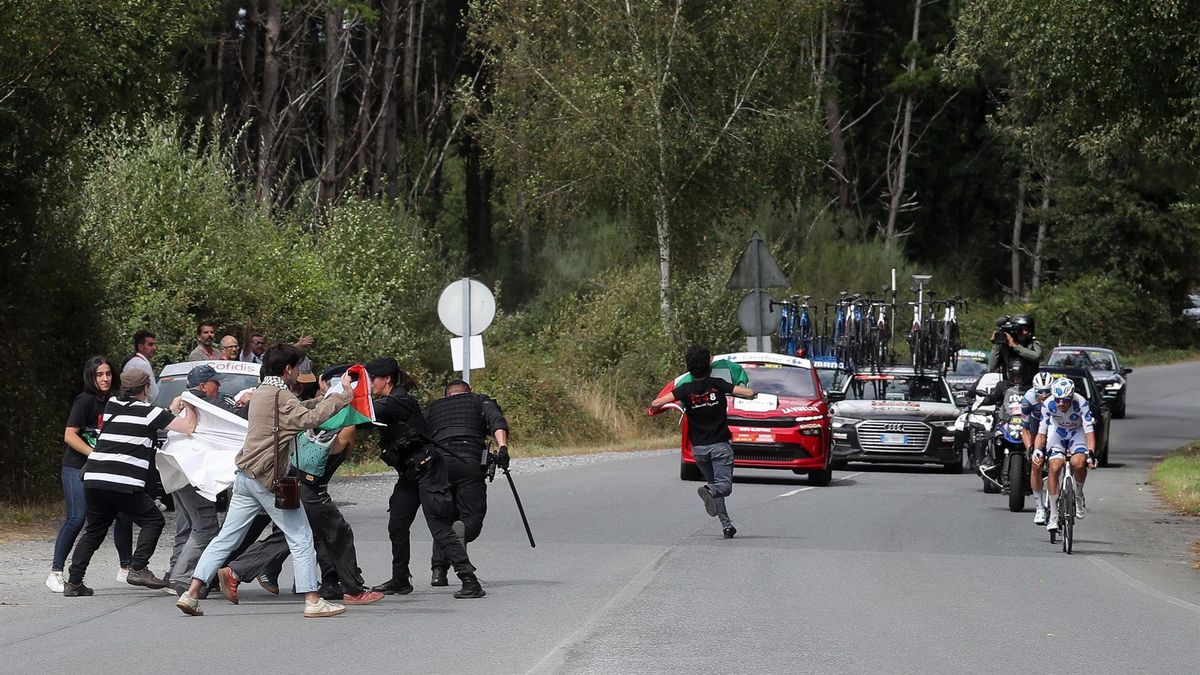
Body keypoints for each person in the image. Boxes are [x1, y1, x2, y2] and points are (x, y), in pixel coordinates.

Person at [175, 344, 353, 618]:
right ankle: (313, 600)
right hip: (267, 479)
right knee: (302, 537)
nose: (297, 375)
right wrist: (342, 397)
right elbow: (307, 419)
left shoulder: (260, 393)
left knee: (226, 538)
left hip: (245, 477)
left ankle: (192, 592)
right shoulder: (280, 395)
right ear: (288, 369)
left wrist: (322, 398)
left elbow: (295, 411)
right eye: (295, 369)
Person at [220, 364, 383, 606]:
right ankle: (352, 590)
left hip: (290, 480)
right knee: (337, 532)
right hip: (310, 487)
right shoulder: (334, 415)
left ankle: (238, 570)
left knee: (292, 535)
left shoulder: (306, 405)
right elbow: (336, 451)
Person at [64, 370, 198, 596]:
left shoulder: (113, 405)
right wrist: (191, 406)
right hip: (122, 480)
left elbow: (144, 419)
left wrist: (169, 411)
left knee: (94, 531)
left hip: (95, 477)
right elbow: (187, 427)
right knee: (153, 520)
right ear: (146, 388)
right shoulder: (149, 411)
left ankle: (74, 582)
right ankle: (138, 567)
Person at [366, 357, 484, 599]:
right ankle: (400, 579)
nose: (368, 385)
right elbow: (361, 420)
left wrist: (344, 396)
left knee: (439, 526)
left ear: (386, 379)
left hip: (429, 470)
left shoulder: (401, 400)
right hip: (409, 474)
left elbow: (368, 412)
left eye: (371, 379)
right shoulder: (388, 402)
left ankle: (469, 580)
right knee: (397, 525)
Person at [46, 357, 135, 593]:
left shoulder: (113, 401)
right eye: (99, 375)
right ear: (91, 377)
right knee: (77, 517)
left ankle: (127, 568)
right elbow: (70, 435)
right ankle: (55, 572)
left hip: (103, 469)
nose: (104, 378)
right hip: (77, 466)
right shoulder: (84, 400)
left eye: (107, 374)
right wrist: (93, 454)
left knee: (122, 512)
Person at [649, 346, 756, 539]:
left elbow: (656, 403)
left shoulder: (684, 389)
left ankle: (727, 526)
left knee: (714, 486)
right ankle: (710, 490)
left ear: (689, 367)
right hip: (720, 447)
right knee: (723, 487)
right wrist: (752, 392)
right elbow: (747, 393)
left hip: (699, 450)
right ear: (708, 364)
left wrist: (674, 404)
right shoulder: (718, 384)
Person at [163, 364, 248, 595]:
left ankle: (176, 573)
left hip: (179, 469)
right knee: (205, 528)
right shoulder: (205, 403)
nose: (219, 386)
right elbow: (238, 417)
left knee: (187, 526)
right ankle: (182, 579)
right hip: (193, 474)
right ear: (203, 386)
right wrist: (251, 400)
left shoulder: (185, 401)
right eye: (215, 382)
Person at [423, 379, 509, 587]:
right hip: (469, 461)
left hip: (438, 465)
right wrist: (503, 448)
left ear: (447, 396)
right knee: (470, 518)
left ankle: (438, 571)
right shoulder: (479, 401)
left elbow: (421, 436)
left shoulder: (433, 408)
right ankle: (462, 532)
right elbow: (496, 420)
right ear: (467, 392)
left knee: (443, 519)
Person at [1033, 377, 1096, 532]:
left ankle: (1079, 495)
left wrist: (1091, 455)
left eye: (1065, 400)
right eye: (1058, 400)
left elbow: (1089, 432)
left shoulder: (1081, 403)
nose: (1061, 403)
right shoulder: (1048, 404)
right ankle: (1054, 514)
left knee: (1078, 463)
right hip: (1057, 433)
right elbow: (1042, 433)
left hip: (1077, 432)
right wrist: (1037, 450)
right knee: (1055, 467)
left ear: (1072, 396)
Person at [1023, 371, 1054, 525]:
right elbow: (1025, 428)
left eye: (1047, 391)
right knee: (1036, 465)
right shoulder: (1028, 400)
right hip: (1036, 431)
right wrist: (1030, 447)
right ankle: (1040, 507)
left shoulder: (1059, 398)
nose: (1043, 395)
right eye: (1039, 392)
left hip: (1055, 430)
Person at [987, 314, 1043, 382]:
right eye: (1020, 329)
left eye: (1026, 329)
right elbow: (991, 366)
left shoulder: (1033, 343)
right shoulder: (1005, 343)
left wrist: (1015, 346)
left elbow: (1037, 356)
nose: (1024, 332)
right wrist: (996, 344)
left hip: (1029, 383)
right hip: (1008, 383)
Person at [123, 330, 160, 400]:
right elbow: (153, 393)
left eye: (154, 344)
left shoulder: (130, 362)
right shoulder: (143, 364)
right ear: (141, 347)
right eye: (150, 344)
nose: (154, 348)